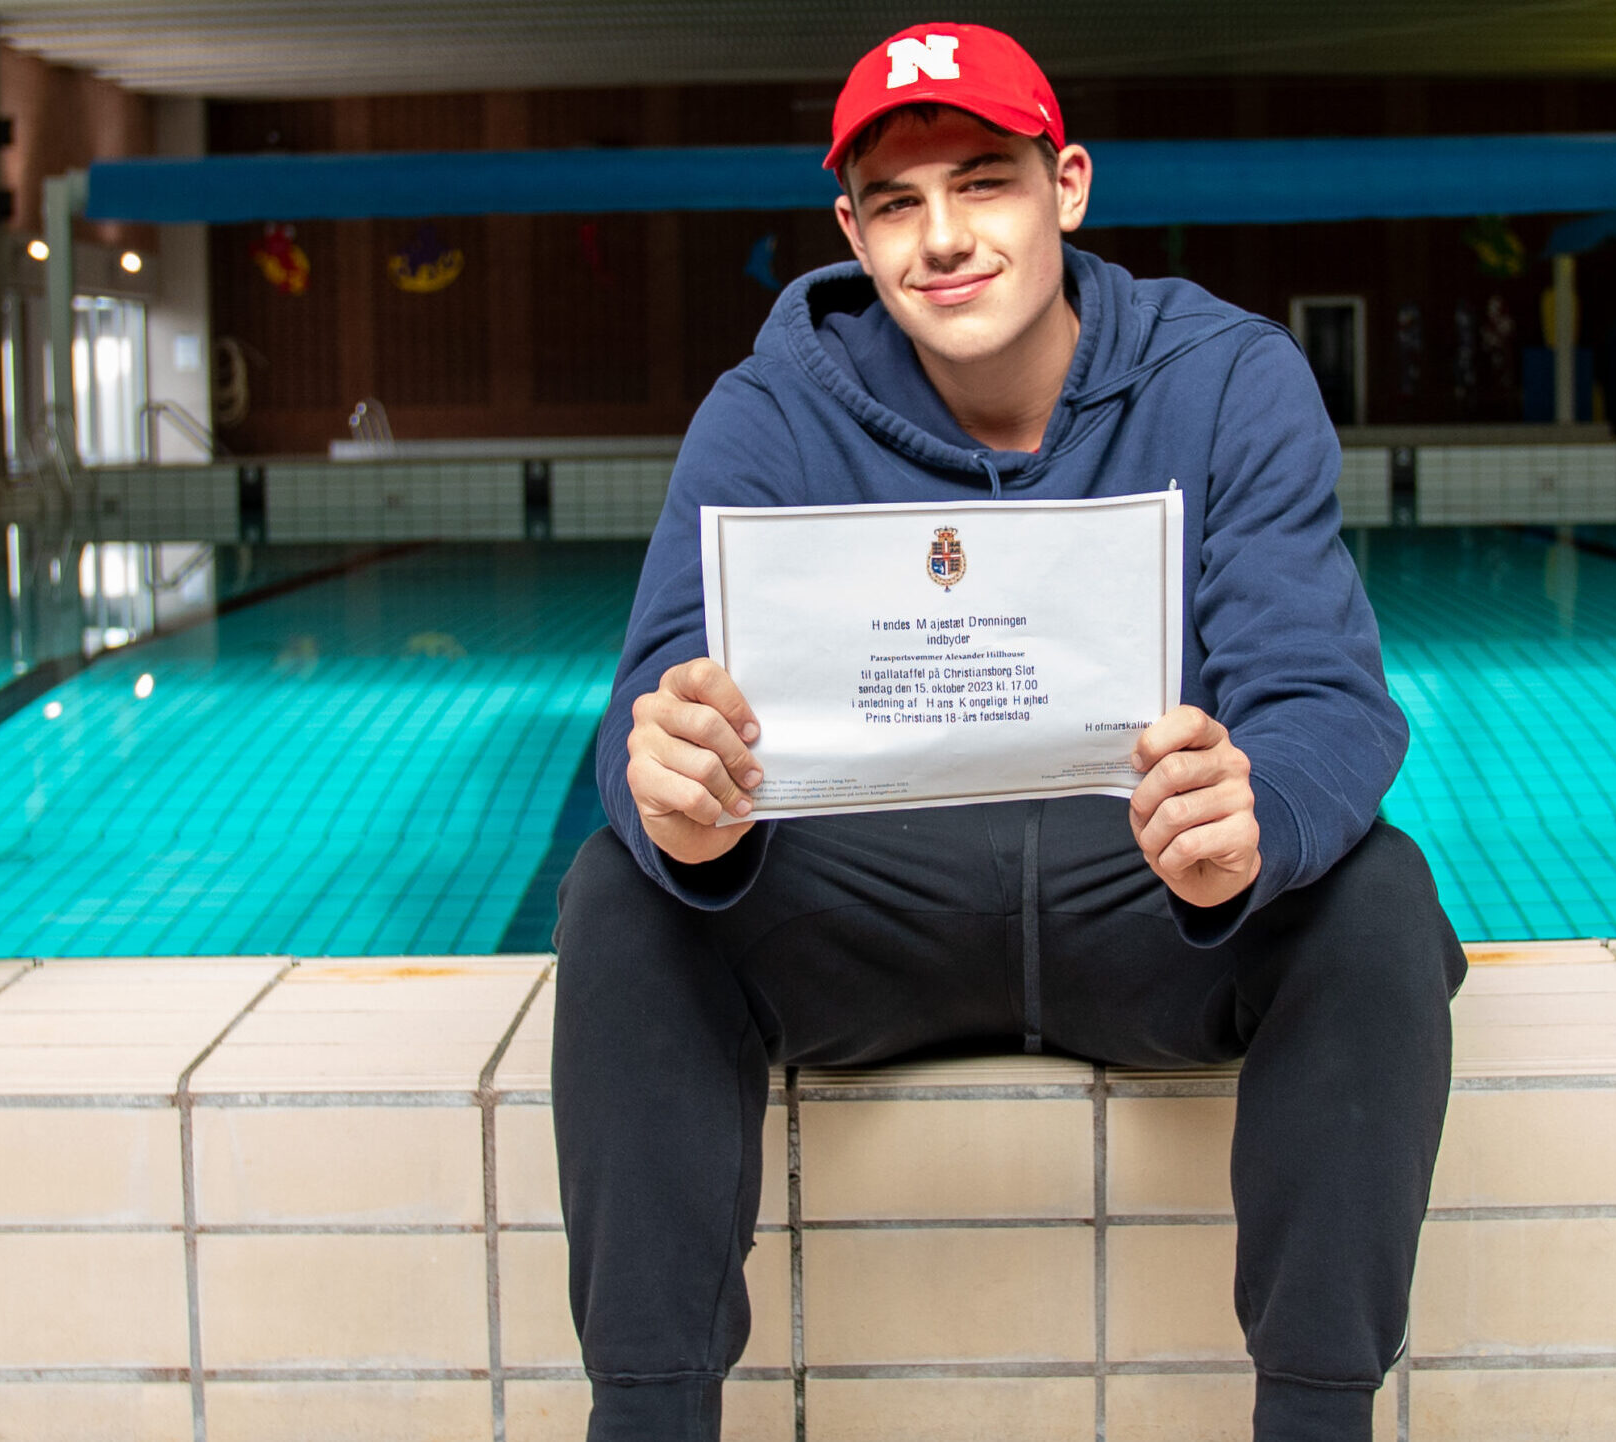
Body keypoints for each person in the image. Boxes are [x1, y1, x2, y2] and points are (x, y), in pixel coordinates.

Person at [552, 22, 1465, 1442]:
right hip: (867, 913)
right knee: (620, 894)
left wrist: (1256, 820)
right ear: (851, 232)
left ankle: (1317, 1415)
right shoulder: (771, 414)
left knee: (1378, 896)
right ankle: (647, 1418)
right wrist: (677, 796)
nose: (942, 239)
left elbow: (1322, 691)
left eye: (984, 183)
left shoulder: (1226, 380)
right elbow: (655, 698)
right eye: (897, 204)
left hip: (1153, 904)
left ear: (1068, 187)